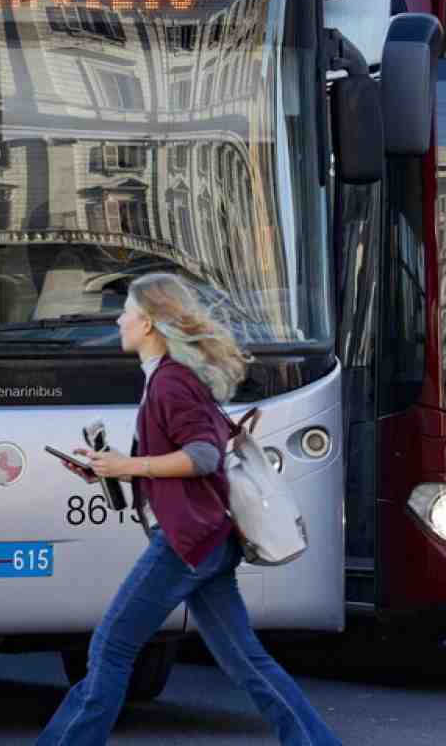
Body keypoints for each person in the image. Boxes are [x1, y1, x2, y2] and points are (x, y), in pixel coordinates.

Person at [37, 274, 341, 746]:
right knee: (246, 661)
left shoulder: (172, 383)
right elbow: (188, 455)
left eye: (128, 312)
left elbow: (203, 456)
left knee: (111, 647)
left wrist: (130, 463)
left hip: (186, 542)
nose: (119, 320)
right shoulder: (167, 378)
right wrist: (112, 469)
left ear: (151, 324)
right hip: (208, 541)